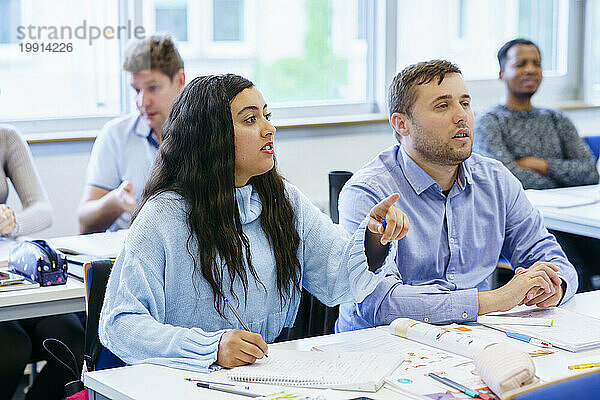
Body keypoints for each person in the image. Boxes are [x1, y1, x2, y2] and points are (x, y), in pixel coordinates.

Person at [98, 74, 407, 372]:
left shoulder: (282, 199)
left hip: (261, 376)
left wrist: (373, 238)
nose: (269, 128)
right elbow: (120, 323)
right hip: (179, 380)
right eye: (250, 120)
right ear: (211, 136)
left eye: (266, 115)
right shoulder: (164, 215)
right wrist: (210, 347)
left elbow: (337, 278)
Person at [335, 60, 578, 332]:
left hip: (473, 339)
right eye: (443, 105)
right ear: (401, 124)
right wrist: (498, 298)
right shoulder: (368, 192)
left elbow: (552, 259)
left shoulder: (495, 179)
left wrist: (554, 287)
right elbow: (378, 303)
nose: (461, 115)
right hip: (382, 348)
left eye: (465, 103)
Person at [474, 38, 600, 291]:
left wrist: (539, 164)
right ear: (502, 73)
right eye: (521, 64)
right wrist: (562, 174)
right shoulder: (489, 122)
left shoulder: (556, 118)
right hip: (524, 225)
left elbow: (589, 172)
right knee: (570, 270)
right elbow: (506, 179)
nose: (531, 69)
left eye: (537, 63)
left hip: (571, 217)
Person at [0, 125, 83, 400]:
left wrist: (14, 223)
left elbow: (43, 210)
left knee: (72, 339)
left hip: (12, 272)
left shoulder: (7, 137)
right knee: (10, 346)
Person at [78, 34, 185, 234]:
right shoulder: (115, 135)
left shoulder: (206, 133)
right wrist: (116, 201)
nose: (142, 102)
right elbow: (84, 223)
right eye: (136, 90)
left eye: (153, 88)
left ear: (180, 80)